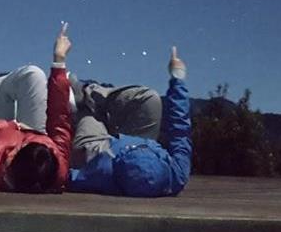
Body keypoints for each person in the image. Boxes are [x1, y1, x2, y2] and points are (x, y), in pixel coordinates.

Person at [68, 46, 192, 198]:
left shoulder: (99, 174)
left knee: (89, 116)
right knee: (150, 98)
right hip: (136, 138)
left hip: (100, 148)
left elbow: (66, 176)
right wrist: (177, 77)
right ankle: (94, 94)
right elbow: (180, 128)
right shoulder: (176, 175)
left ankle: (82, 93)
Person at [0, 23, 73, 193]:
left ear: (11, 162)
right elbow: (59, 121)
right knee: (35, 75)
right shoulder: (56, 168)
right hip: (33, 129)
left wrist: (11, 125)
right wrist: (59, 60)